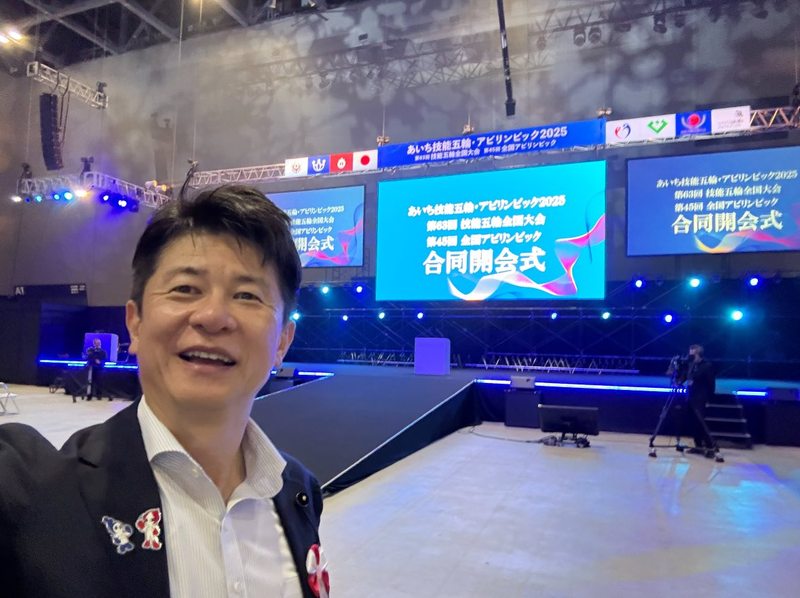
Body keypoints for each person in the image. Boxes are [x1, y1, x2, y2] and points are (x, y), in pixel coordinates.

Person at [0, 185, 327, 597]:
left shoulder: (297, 491)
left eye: (247, 295)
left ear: (282, 341)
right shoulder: (37, 495)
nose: (213, 316)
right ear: (135, 323)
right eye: (185, 289)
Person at [684, 344, 717, 456]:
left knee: (701, 423)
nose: (690, 357)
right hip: (691, 396)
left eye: (692, 355)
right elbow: (687, 377)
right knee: (692, 423)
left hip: (701, 398)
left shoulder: (706, 366)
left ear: (698, 355)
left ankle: (710, 447)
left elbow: (711, 383)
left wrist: (709, 399)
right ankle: (698, 446)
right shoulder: (691, 365)